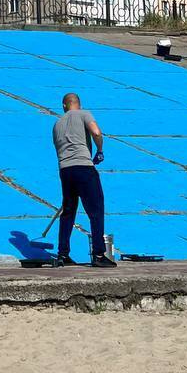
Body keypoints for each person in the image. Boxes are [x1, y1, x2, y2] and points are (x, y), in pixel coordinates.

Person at [51, 92, 115, 267]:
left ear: (64, 105)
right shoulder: (84, 114)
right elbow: (96, 132)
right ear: (78, 103)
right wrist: (99, 151)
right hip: (84, 168)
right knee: (95, 210)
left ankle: (62, 254)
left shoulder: (57, 124)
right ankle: (98, 255)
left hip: (65, 171)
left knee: (68, 212)